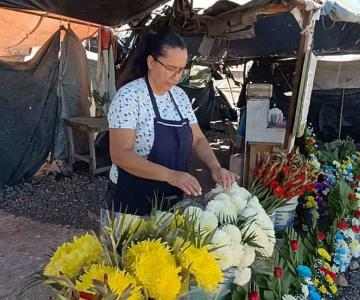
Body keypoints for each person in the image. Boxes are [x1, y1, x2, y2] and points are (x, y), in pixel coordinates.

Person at [105, 31, 238, 215]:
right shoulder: (129, 97)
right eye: (170, 68)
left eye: (181, 69)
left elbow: (198, 139)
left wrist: (215, 167)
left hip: (170, 197)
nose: (176, 76)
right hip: (132, 198)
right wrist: (170, 175)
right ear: (151, 62)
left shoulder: (180, 97)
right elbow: (120, 155)